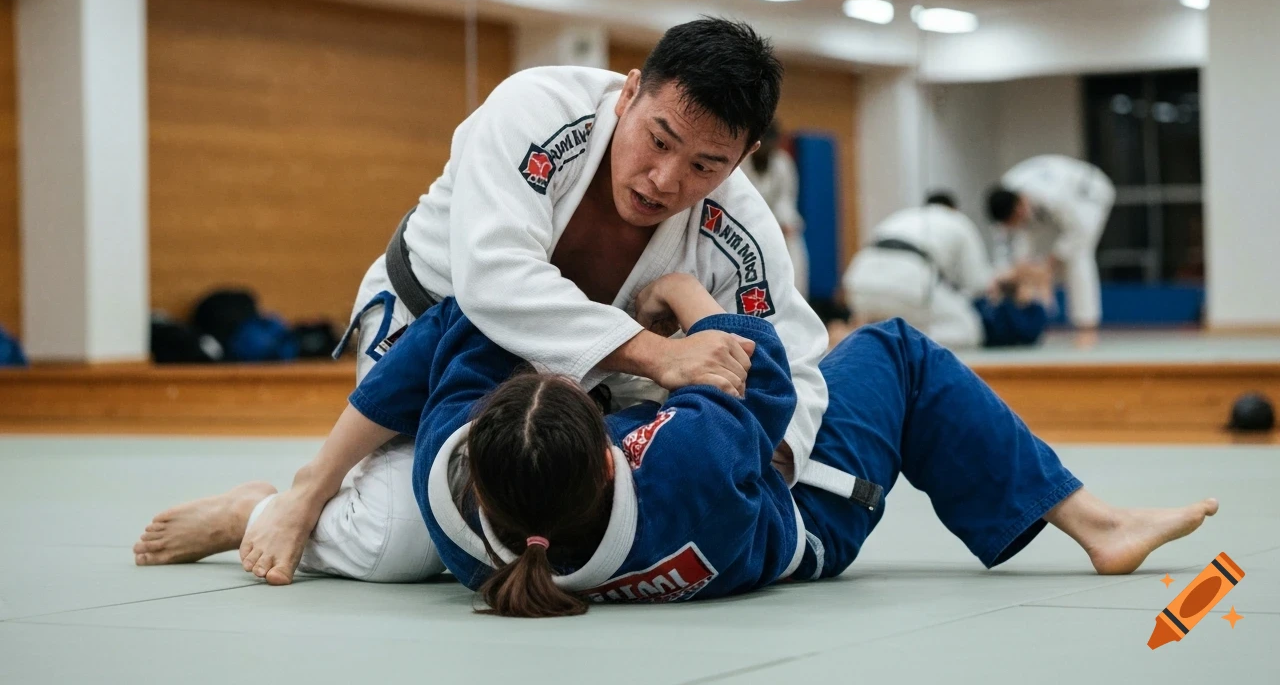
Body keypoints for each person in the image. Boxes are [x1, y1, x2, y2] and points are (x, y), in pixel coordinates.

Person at [134, 274, 1218, 617]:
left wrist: (546, 300)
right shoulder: (689, 462)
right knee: (892, 351)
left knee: (376, 530)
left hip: (466, 509)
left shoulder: (455, 500)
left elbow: (460, 325)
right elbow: (753, 373)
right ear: (611, 445)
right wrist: (682, 301)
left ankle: (270, 505)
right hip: (807, 517)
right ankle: (1096, 523)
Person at [195, 18, 832, 585]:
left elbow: (795, 358)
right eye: (658, 141)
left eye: (706, 165)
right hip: (432, 335)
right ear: (629, 93)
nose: (666, 180)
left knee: (555, 526)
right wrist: (661, 355)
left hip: (578, 401)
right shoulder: (536, 110)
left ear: (745, 156)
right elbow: (493, 281)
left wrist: (753, 482)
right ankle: (283, 499)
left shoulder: (739, 223)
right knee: (406, 540)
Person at [843, 193, 1046, 349]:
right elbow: (977, 285)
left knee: (908, 318)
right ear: (954, 209)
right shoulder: (959, 222)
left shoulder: (905, 215)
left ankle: (857, 336)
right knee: (968, 329)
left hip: (858, 283)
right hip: (905, 284)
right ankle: (897, 345)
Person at [987, 155, 1116, 331]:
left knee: (1078, 256)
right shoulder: (1006, 196)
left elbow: (1079, 231)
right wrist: (1006, 275)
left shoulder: (1053, 197)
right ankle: (1032, 313)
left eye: (1015, 220)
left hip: (1090, 193)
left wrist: (1049, 265)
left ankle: (1086, 325)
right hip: (1051, 201)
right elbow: (1005, 246)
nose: (1014, 226)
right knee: (1023, 259)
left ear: (1019, 207)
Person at [742, 121, 809, 298]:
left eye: (773, 143)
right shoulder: (742, 162)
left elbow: (786, 199)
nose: (768, 148)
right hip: (745, 225)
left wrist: (785, 222)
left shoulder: (783, 163)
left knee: (795, 246)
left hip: (776, 224)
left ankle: (794, 299)